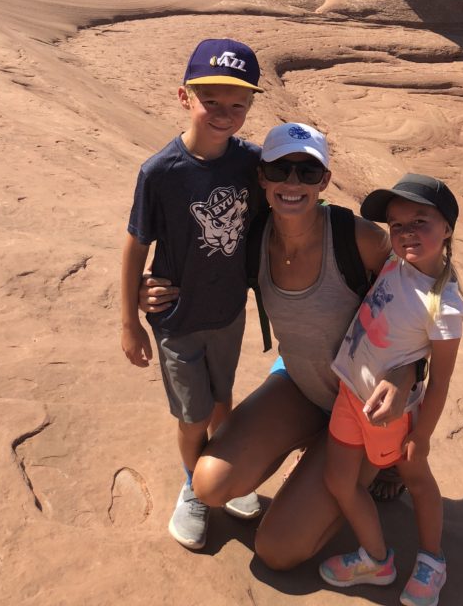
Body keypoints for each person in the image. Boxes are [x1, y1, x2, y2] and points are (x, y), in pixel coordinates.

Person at [139, 122, 416, 569]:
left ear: (325, 180)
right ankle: (317, 448)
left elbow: (424, 299)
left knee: (278, 550)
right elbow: (196, 266)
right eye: (281, 169)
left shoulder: (357, 238)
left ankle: (378, 460)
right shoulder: (251, 238)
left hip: (360, 406)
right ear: (262, 178)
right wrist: (145, 289)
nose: (293, 183)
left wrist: (408, 375)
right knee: (209, 485)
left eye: (308, 172)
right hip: (301, 387)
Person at [120, 37, 265, 551]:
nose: (224, 114)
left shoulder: (252, 163)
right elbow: (138, 242)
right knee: (193, 414)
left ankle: (222, 475)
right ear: (185, 97)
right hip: (178, 316)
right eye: (212, 102)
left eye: (238, 105)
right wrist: (130, 319)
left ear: (250, 107)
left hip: (228, 311)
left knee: (223, 401)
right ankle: (195, 486)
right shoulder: (161, 172)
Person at [319, 174, 463, 606]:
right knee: (340, 480)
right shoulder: (394, 264)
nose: (406, 233)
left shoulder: (446, 307)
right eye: (397, 225)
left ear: (447, 229)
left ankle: (432, 561)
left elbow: (440, 379)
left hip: (391, 416)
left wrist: (420, 437)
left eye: (420, 221)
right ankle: (377, 559)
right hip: (351, 393)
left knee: (417, 478)